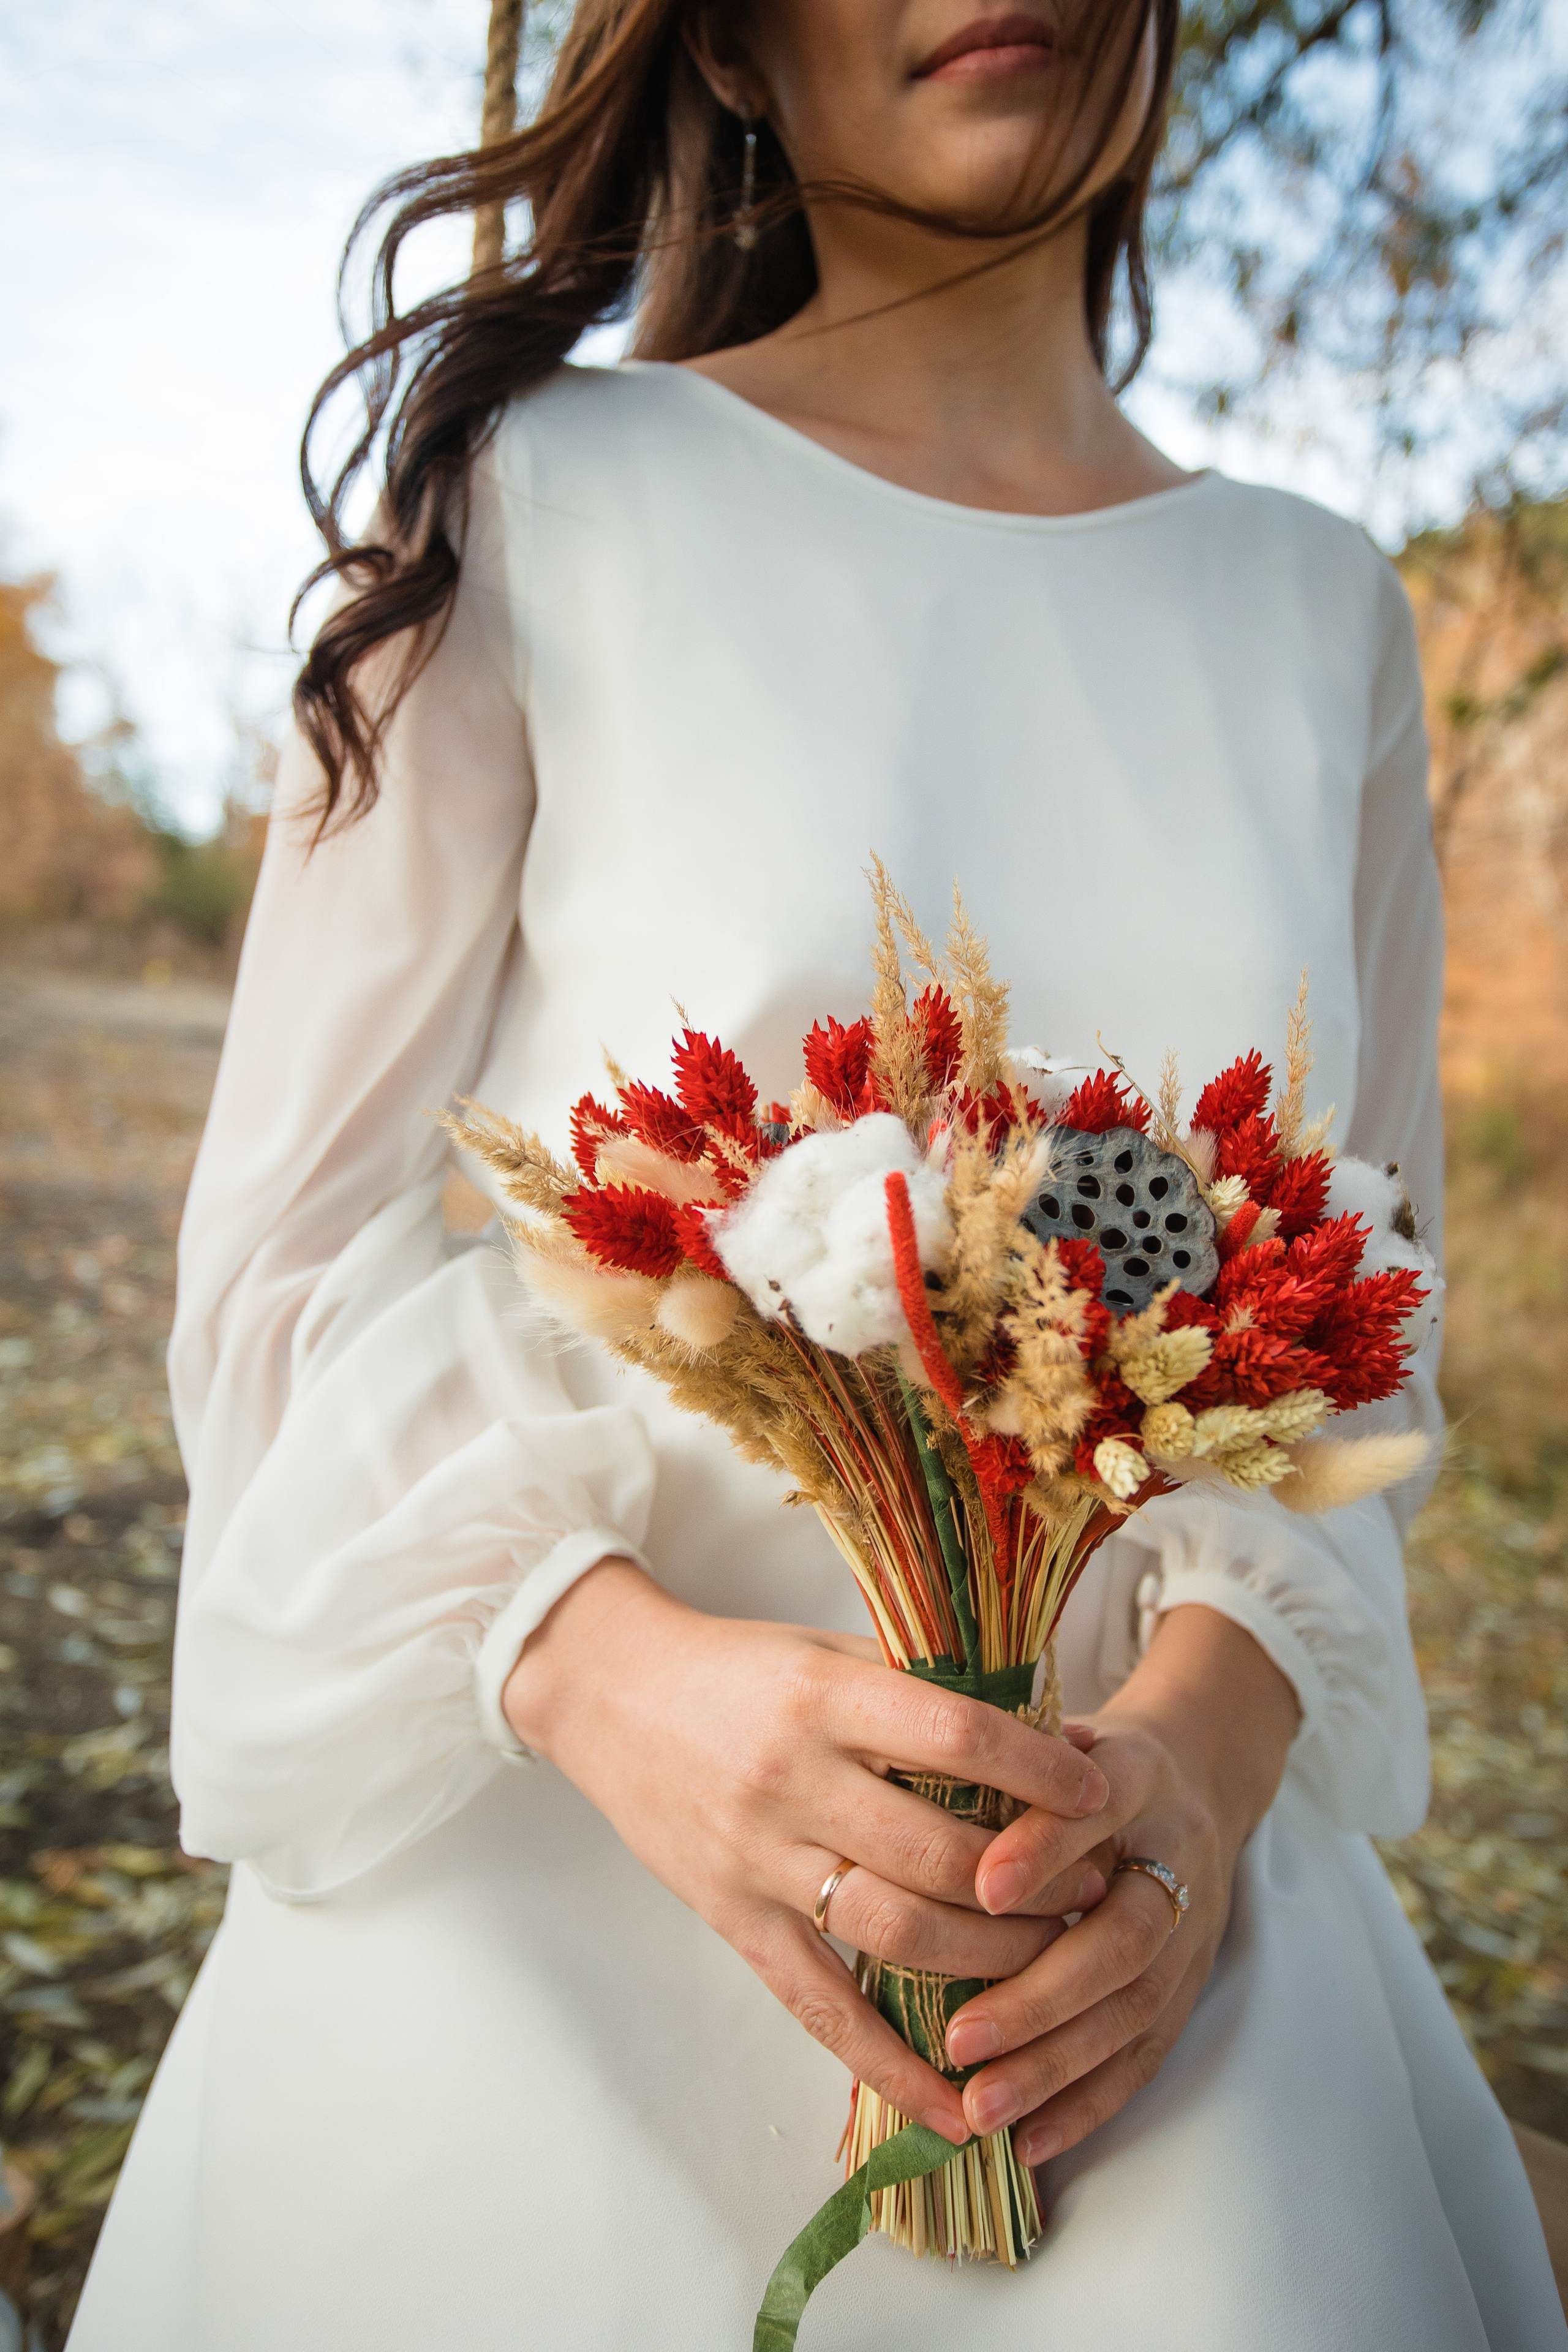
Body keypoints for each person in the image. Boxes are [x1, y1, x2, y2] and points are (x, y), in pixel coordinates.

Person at [71, 2, 1565, 2345]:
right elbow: (283, 1266)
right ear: (740, 49)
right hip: (548, 1927)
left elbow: (1364, 1325)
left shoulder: (1319, 610)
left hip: (1139, 1975)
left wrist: (1200, 1765)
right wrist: (606, 1681)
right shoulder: (538, 491)